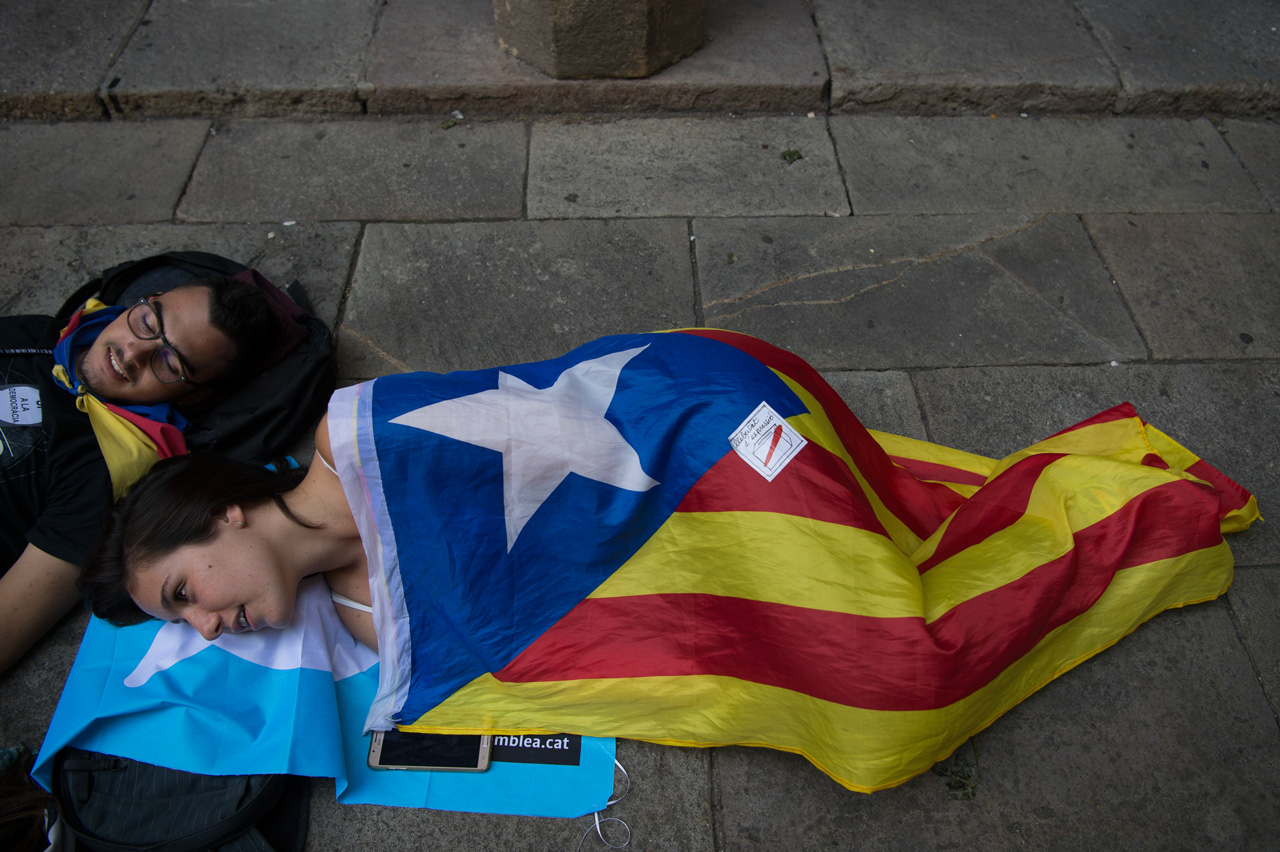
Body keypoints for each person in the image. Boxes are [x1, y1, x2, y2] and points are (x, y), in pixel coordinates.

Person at [81, 329, 1258, 793]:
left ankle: (1123, 519)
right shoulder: (342, 615)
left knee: (896, 658)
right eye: (181, 621)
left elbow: (577, 417)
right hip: (677, 521)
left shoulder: (364, 436)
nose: (207, 622)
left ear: (227, 515)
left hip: (698, 430)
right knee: (880, 692)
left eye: (186, 591)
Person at [0, 278, 276, 674]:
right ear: (148, 299)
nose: (132, 352)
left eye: (168, 363)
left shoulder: (104, 476)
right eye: (148, 322)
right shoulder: (35, 336)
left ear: (192, 395)